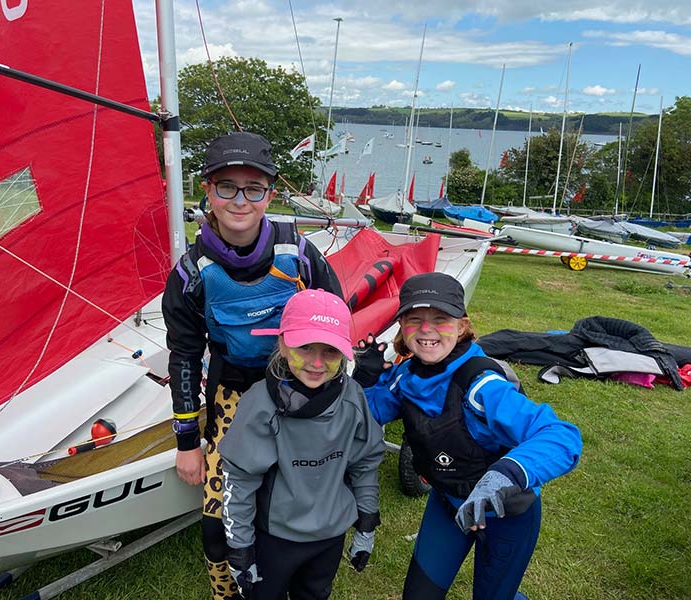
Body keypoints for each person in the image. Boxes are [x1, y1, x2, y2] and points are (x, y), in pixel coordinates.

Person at [161, 131, 343, 600]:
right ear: (207, 190)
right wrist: (186, 443)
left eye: (253, 188)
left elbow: (336, 325)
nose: (240, 200)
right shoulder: (189, 273)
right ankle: (231, 593)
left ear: (271, 194)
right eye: (227, 186)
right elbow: (183, 356)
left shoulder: (299, 255)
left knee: (299, 504)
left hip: (302, 392)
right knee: (218, 527)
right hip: (234, 398)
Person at [354, 272, 582, 600]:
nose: (427, 330)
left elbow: (562, 435)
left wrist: (508, 473)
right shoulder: (406, 375)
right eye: (415, 319)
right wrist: (365, 377)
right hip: (449, 504)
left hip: (506, 516)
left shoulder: (482, 386)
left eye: (441, 319)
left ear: (462, 326)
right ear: (402, 327)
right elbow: (368, 413)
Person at [218, 289, 385, 600]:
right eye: (305, 347)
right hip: (275, 538)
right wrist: (240, 547)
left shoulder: (352, 398)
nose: (317, 362)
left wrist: (366, 522)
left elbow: (365, 461)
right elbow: (239, 481)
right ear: (282, 344)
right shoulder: (260, 404)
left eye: (331, 351)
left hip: (329, 536)